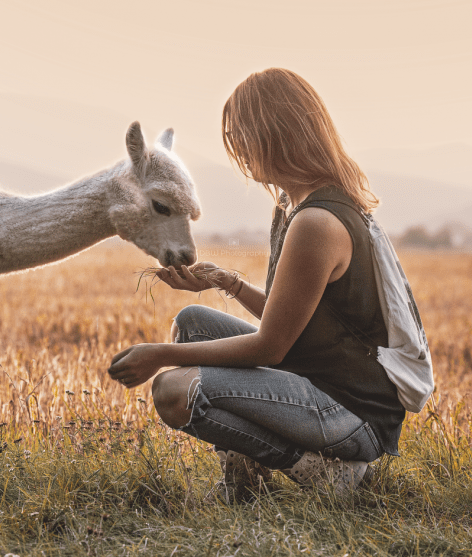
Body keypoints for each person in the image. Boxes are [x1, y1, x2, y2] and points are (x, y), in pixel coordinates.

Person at [107, 68, 406, 501]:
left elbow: (272, 348)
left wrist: (160, 355)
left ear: (277, 133)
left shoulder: (316, 222)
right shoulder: (290, 206)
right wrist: (225, 282)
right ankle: (242, 483)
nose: (239, 152)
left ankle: (318, 472)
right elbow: (290, 322)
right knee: (192, 321)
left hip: (352, 414)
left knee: (173, 390)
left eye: (243, 136)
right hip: (317, 377)